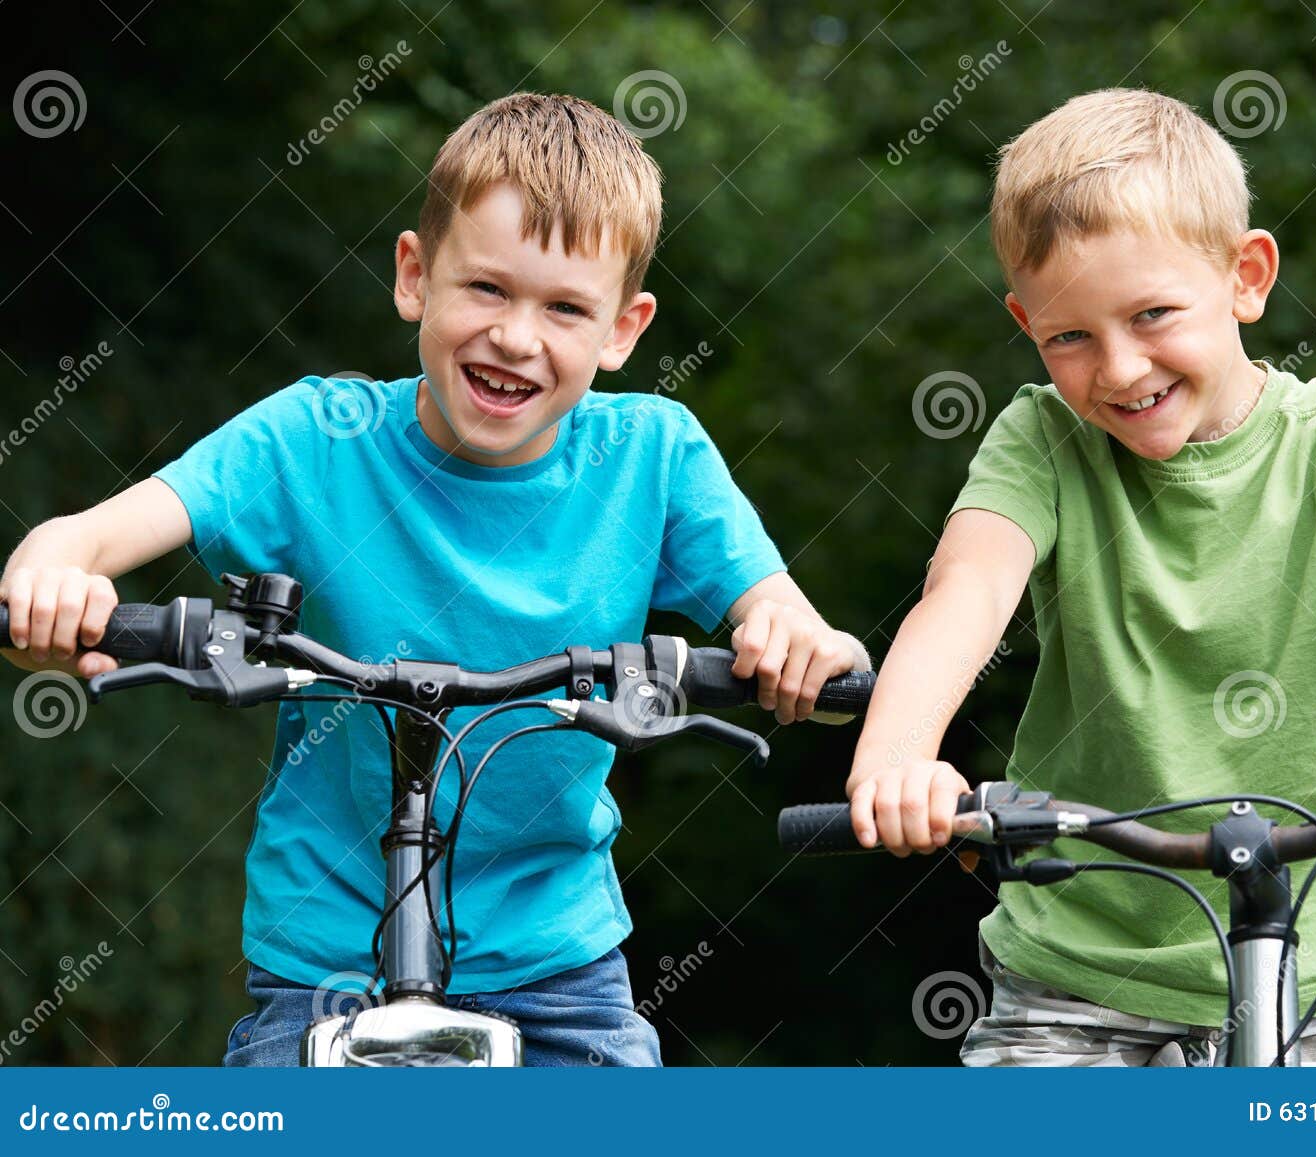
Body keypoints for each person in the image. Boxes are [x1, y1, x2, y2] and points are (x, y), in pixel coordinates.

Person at [2, 92, 868, 1067]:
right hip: (327, 953)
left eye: (566, 308)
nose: (517, 337)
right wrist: (54, 568)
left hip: (556, 960)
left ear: (623, 329)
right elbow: (91, 535)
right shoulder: (312, 437)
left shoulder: (652, 455)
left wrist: (797, 639)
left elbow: (775, 606)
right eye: (487, 289)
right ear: (415, 276)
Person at [845, 87, 1316, 1066]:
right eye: (1067, 336)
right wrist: (895, 755)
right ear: (1025, 322)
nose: (1117, 369)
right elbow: (967, 591)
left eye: (1152, 313)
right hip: (1075, 980)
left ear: (1245, 277)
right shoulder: (1043, 441)